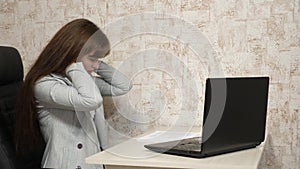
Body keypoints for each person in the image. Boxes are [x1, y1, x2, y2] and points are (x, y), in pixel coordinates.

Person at [15, 18, 132, 169]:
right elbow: (91, 100)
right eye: (92, 59)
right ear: (72, 55)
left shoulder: (82, 82)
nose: (96, 65)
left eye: (98, 60)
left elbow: (123, 86)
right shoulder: (44, 85)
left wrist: (95, 63)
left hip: (91, 163)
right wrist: (74, 64)